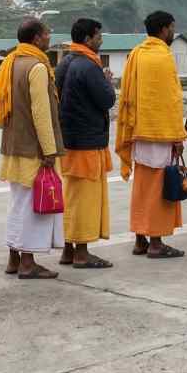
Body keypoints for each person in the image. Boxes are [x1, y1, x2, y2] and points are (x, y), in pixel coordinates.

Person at [0, 18, 64, 280]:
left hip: (12, 145)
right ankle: (27, 262)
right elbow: (41, 113)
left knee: (18, 203)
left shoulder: (10, 62)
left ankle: (13, 258)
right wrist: (49, 150)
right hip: (33, 149)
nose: (49, 38)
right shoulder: (37, 67)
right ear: (36, 39)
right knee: (31, 207)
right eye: (47, 34)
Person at [116, 10, 187, 259]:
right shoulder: (163, 57)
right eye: (172, 28)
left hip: (139, 132)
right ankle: (156, 243)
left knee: (142, 187)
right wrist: (178, 136)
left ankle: (140, 239)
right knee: (158, 188)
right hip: (160, 132)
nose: (173, 33)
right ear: (164, 29)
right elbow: (171, 100)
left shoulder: (137, 53)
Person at [56, 18, 116, 269]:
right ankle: (82, 252)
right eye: (98, 36)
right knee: (85, 198)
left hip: (68, 139)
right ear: (88, 39)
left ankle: (68, 249)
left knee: (71, 195)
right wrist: (108, 81)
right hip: (87, 141)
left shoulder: (65, 62)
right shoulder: (89, 66)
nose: (101, 40)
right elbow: (107, 100)